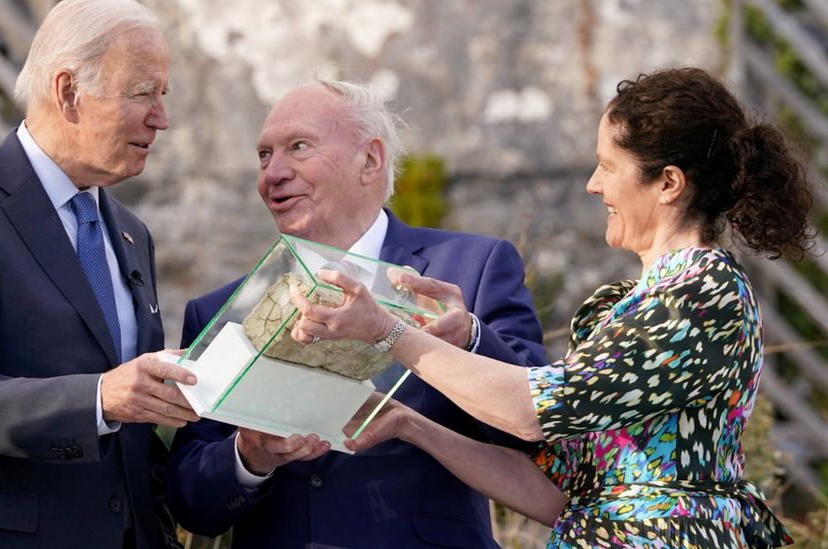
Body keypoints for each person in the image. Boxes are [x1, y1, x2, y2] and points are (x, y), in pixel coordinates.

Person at [289, 67, 810, 548]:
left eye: (608, 166)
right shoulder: (636, 304)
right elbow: (553, 493)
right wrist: (409, 423)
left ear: (669, 184)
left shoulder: (702, 290)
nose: (593, 184)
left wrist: (386, 330)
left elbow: (529, 411)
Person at [165, 78, 546, 547]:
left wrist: (469, 339)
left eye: (298, 147)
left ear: (370, 159)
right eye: (264, 155)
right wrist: (248, 457)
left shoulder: (471, 270)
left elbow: (543, 431)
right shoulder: (219, 310)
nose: (274, 173)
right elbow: (188, 502)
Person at [0, 1, 199, 547]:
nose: (161, 118)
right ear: (69, 92)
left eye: (163, 95)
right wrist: (99, 399)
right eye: (143, 92)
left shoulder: (130, 232)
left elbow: (132, 441)